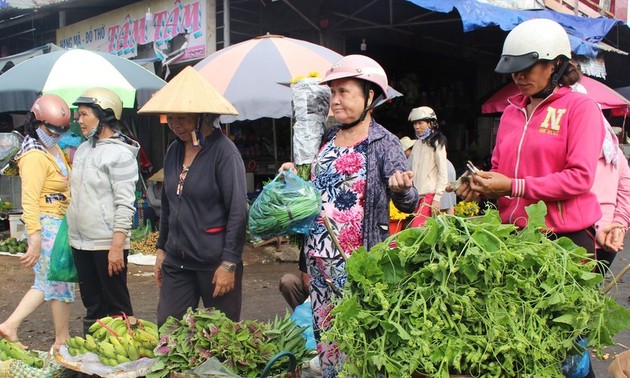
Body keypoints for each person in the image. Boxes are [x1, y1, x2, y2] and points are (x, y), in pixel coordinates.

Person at [455, 18, 605, 378]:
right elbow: (499, 168)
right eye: (513, 70)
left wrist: (513, 186)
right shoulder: (509, 112)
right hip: (516, 242)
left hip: (564, 242)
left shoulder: (580, 109)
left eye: (527, 68)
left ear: (556, 65)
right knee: (522, 345)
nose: (518, 77)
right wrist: (477, 184)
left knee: (564, 347)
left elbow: (580, 177)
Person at [280, 54, 419, 377]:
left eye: (345, 92)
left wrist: (400, 189)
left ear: (370, 97)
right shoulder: (326, 140)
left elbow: (411, 201)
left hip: (357, 263)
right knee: (327, 338)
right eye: (333, 92)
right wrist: (294, 177)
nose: (336, 100)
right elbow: (313, 195)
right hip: (318, 258)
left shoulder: (385, 144)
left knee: (360, 340)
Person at [137, 66, 247, 327]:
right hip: (177, 262)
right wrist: (161, 250)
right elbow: (167, 203)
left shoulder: (225, 154)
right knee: (168, 327)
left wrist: (230, 263)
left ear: (203, 118)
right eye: (171, 118)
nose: (175, 125)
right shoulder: (174, 150)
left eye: (183, 119)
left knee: (219, 335)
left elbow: (238, 212)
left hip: (215, 263)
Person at [0, 94, 74, 351]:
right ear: (36, 123)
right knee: (59, 281)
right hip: (47, 222)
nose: (56, 134)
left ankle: (10, 326)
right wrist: (35, 236)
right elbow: (29, 199)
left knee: (47, 282)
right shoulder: (33, 154)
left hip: (60, 222)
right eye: (51, 129)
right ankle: (61, 338)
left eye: (61, 130)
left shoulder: (53, 149)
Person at [66, 88, 139, 335]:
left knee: (116, 306)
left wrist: (117, 247)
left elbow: (125, 204)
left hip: (107, 244)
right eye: (78, 115)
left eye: (84, 114)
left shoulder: (120, 154)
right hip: (80, 243)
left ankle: (125, 362)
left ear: (105, 115)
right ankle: (93, 362)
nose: (79, 120)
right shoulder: (84, 149)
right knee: (92, 305)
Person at [407, 106, 448, 227]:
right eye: (415, 123)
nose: (417, 127)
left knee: (417, 230)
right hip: (416, 196)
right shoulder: (417, 144)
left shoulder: (437, 143)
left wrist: (437, 198)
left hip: (429, 196)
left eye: (420, 123)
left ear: (430, 124)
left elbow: (443, 172)